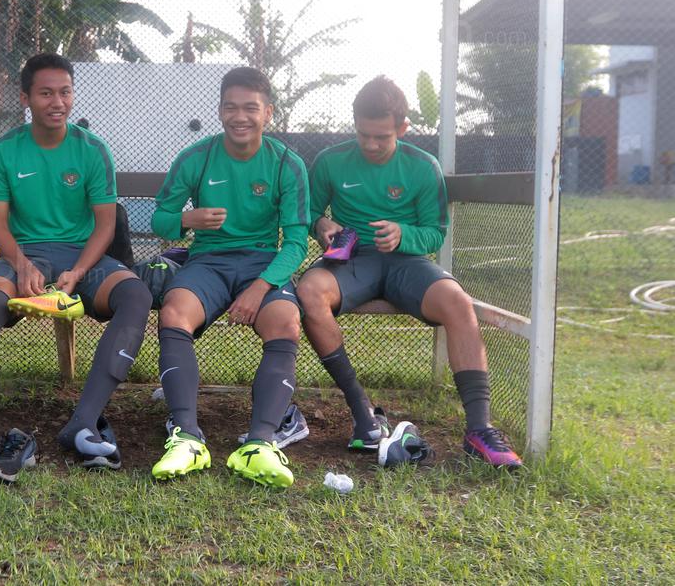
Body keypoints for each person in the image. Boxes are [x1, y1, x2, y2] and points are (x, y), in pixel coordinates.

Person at [0, 53, 152, 476]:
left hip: (83, 256)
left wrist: (80, 272)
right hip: (22, 253)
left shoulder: (92, 150)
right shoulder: (4, 151)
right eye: (46, 93)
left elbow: (106, 225)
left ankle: (83, 422)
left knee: (136, 295)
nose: (57, 102)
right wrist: (21, 262)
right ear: (26, 98)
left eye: (65, 92)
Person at [296, 75, 522, 468]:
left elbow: (434, 232)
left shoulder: (423, 166)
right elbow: (308, 214)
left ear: (402, 128)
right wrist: (322, 226)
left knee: (457, 302)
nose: (370, 144)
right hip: (352, 261)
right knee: (309, 291)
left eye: (381, 137)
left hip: (406, 263)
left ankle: (479, 429)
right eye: (363, 134)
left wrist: (403, 235)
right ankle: (363, 413)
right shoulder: (331, 161)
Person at [148, 67, 309, 487]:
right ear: (220, 111)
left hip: (262, 264)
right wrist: (189, 218)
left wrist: (260, 289)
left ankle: (261, 443)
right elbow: (160, 220)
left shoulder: (287, 164)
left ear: (268, 113)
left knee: (286, 322)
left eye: (251, 108)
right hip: (209, 262)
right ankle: (186, 436)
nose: (241, 117)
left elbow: (295, 242)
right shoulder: (196, 157)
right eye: (232, 107)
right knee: (174, 312)